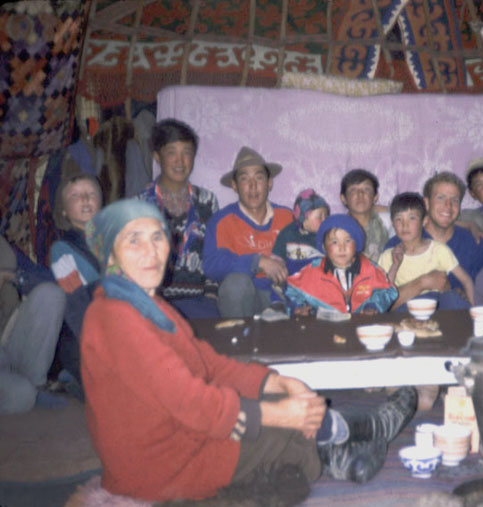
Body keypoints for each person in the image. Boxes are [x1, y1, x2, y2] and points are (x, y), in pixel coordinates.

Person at [80, 200, 418, 503]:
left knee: (277, 405)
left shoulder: (147, 304)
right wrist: (279, 414)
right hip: (161, 463)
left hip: (177, 436)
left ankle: (350, 451)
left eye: (157, 237)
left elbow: (208, 363)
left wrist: (276, 383)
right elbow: (192, 403)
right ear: (110, 253)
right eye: (134, 240)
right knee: (278, 425)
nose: (151, 252)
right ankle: (364, 433)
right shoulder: (115, 318)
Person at [137, 118, 220, 319]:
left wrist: (211, 297)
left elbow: (215, 253)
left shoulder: (206, 201)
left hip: (199, 301)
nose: (180, 161)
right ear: (157, 156)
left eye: (187, 153)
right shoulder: (139, 205)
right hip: (154, 302)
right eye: (172, 153)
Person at [203, 147, 293, 318]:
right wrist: (257, 262)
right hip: (242, 299)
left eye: (259, 177)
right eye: (245, 179)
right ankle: (238, 342)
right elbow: (212, 265)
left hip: (282, 296)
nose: (253, 186)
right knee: (236, 283)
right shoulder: (221, 221)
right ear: (235, 186)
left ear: (269, 182)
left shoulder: (288, 217)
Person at [384, 172, 483, 300]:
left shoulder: (474, 242)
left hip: (459, 316)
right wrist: (422, 283)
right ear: (426, 204)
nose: (448, 206)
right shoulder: (398, 244)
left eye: (454, 200)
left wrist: (464, 298)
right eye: (441, 198)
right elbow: (384, 303)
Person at [49, 172, 103, 393]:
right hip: (84, 337)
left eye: (91, 194)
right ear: (63, 210)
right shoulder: (62, 251)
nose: (85, 199)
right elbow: (75, 306)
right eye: (75, 196)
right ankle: (72, 377)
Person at [1, 234, 66, 414]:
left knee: (51, 295)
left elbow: (50, 281)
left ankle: (36, 384)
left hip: (9, 341)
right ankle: (27, 391)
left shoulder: (4, 249)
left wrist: (9, 276)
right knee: (21, 395)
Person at [379, 192, 474, 310]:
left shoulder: (438, 250)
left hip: (436, 303)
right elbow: (383, 295)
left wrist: (474, 308)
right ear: (393, 224)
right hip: (406, 306)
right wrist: (395, 265)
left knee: (452, 298)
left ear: (424, 221)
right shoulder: (388, 256)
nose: (405, 225)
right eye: (399, 219)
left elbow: (466, 280)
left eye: (412, 218)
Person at [286, 214, 397, 315]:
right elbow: (291, 289)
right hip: (324, 329)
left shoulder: (369, 269)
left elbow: (388, 290)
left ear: (357, 244)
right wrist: (298, 306)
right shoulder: (313, 271)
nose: (342, 248)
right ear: (324, 247)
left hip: (361, 326)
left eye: (348, 240)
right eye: (334, 242)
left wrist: (373, 305)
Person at [272, 188, 329, 276]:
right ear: (304, 219)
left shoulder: (325, 235)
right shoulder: (288, 232)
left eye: (326, 216)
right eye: (320, 217)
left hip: (315, 276)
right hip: (292, 275)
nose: (324, 220)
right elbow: (279, 250)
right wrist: (278, 266)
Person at [340, 169, 390, 262]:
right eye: (353, 190)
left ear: (375, 197)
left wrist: (389, 209)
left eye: (366, 189)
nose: (360, 194)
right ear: (343, 198)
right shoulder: (338, 228)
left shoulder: (386, 221)